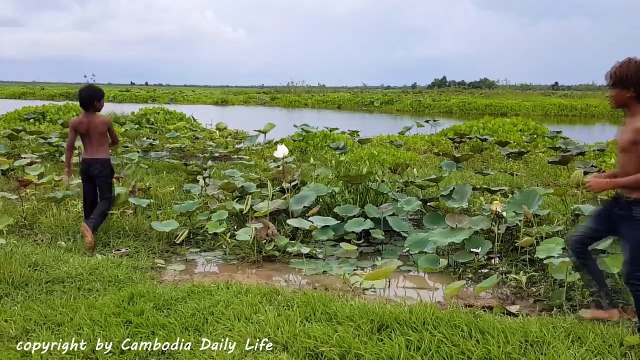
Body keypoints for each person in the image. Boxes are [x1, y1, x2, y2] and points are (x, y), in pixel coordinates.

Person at [568, 57, 640, 328]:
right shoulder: (630, 121)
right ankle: (611, 307)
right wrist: (609, 176)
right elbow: (631, 167)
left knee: (635, 275)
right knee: (577, 242)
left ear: (630, 90)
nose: (610, 94)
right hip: (620, 204)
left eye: (613, 88)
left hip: (637, 210)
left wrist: (606, 185)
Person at [64, 84, 119, 253]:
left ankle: (90, 234)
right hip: (102, 163)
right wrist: (106, 145)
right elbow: (115, 141)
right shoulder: (105, 120)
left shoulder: (75, 122)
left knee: (89, 198)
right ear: (97, 103)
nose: (103, 103)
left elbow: (70, 146)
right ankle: (89, 225)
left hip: (86, 163)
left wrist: (68, 168)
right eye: (102, 100)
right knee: (106, 199)